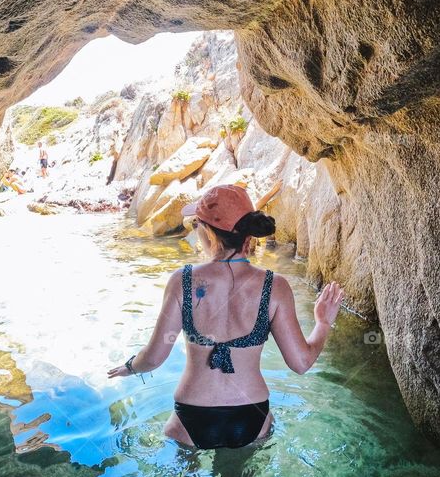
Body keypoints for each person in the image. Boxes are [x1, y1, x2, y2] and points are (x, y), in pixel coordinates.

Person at [107, 184, 344, 450]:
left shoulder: (182, 281)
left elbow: (153, 358)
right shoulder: (275, 286)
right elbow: (301, 363)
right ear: (248, 235)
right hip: (251, 414)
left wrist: (130, 367)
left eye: (197, 225)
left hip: (191, 414)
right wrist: (323, 323)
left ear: (208, 233)